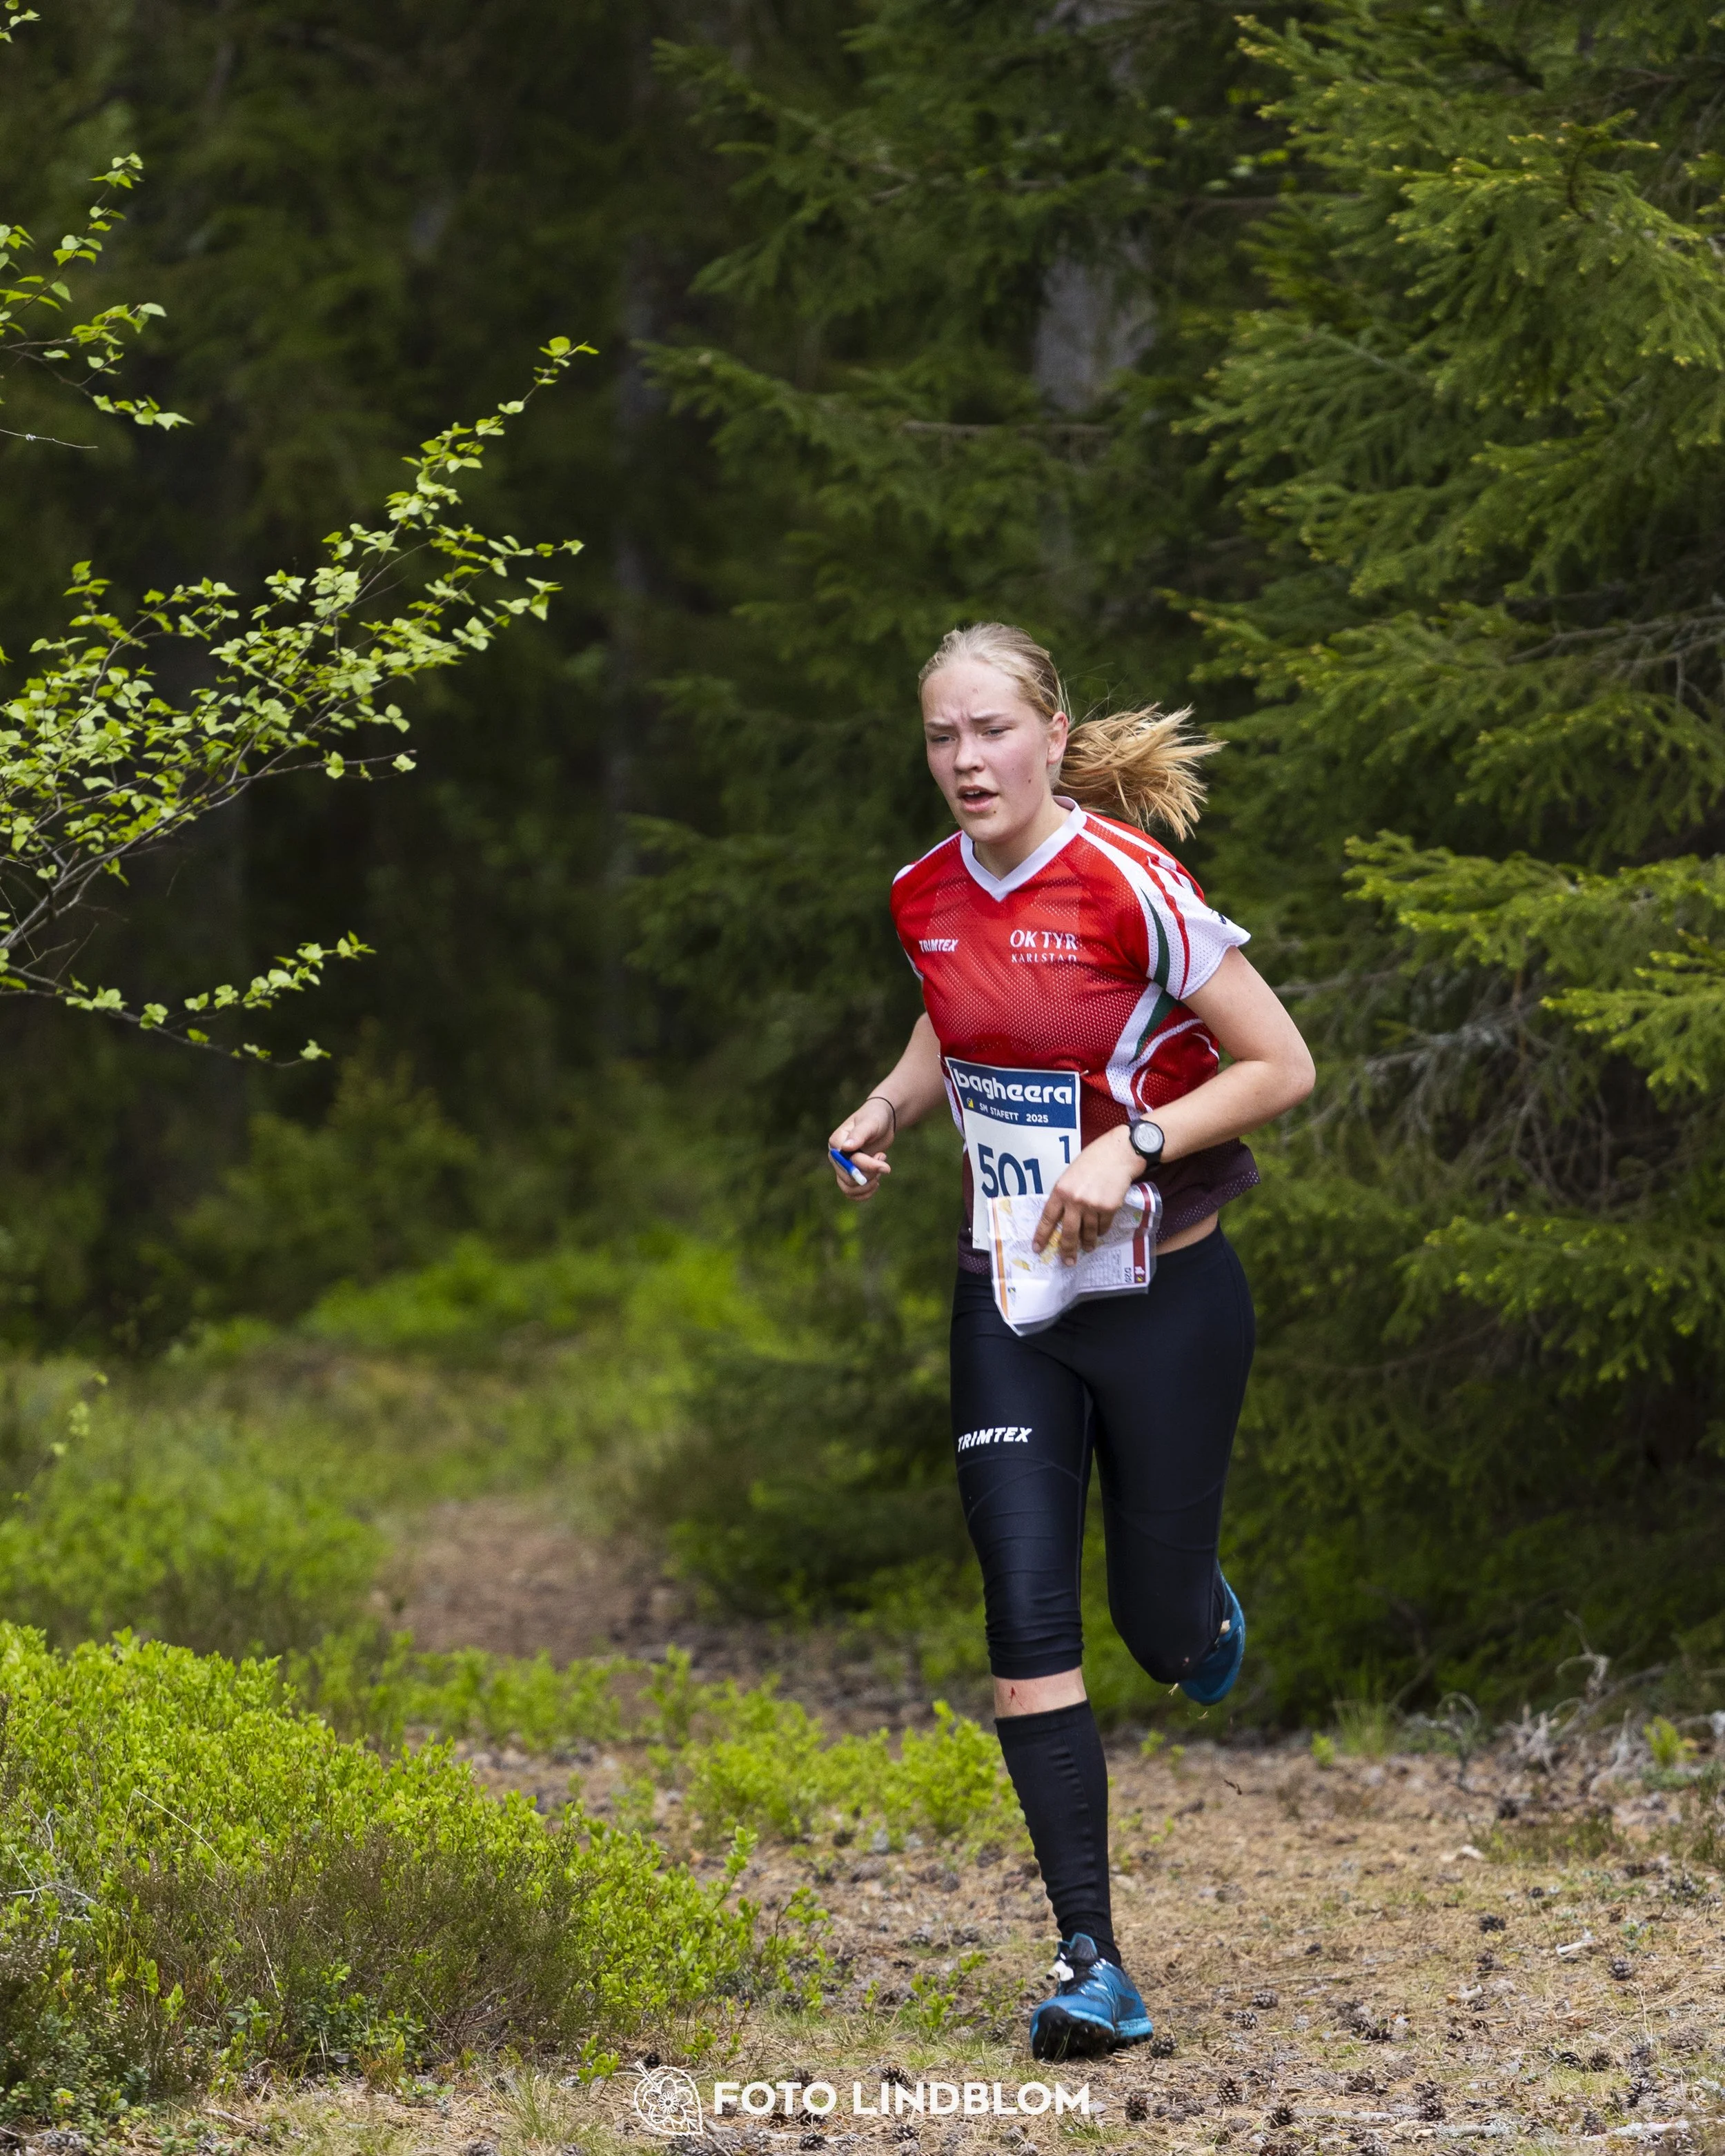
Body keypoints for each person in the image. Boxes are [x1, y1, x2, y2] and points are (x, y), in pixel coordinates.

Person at [827, 622, 1314, 2061]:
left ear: (1049, 731)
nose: (964, 761)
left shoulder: (1126, 882)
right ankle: (1093, 1960)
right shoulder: (921, 891)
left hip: (1164, 1299)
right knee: (1021, 1614)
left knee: (1157, 1638)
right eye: (940, 738)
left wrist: (1132, 1144)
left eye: (990, 731)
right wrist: (884, 1109)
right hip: (1012, 1304)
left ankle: (1194, 1613)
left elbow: (1279, 1062)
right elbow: (953, 1021)